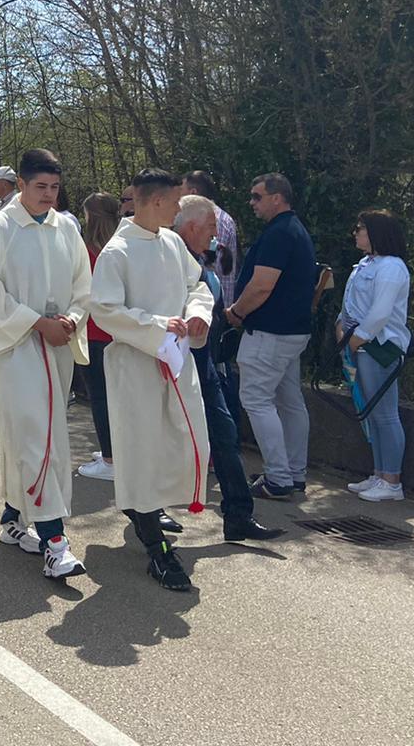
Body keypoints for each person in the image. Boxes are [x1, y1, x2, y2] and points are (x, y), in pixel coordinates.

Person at [0, 149, 91, 580]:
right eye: (40, 187)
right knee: (36, 435)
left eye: (55, 188)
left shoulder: (66, 227)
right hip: (18, 346)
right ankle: (55, 542)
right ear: (20, 184)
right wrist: (36, 322)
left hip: (58, 345)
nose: (49, 196)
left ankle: (13, 517)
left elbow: (83, 283)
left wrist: (73, 318)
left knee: (45, 432)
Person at [89, 168, 214, 592]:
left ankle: (146, 505)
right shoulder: (118, 251)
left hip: (176, 361)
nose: (180, 210)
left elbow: (197, 285)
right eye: (176, 202)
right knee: (140, 447)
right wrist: (158, 325)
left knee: (178, 438)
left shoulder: (173, 242)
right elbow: (104, 309)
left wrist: (198, 314)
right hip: (136, 365)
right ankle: (155, 546)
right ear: (157, 201)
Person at [173, 196, 284, 542]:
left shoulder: (203, 261)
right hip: (173, 369)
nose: (215, 234)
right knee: (162, 440)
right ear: (191, 227)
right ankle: (148, 513)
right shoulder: (168, 260)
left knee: (225, 436)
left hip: (207, 366)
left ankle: (238, 515)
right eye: (210, 227)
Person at [226, 173, 317, 499]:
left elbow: (262, 285)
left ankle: (279, 478)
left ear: (277, 197)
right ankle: (294, 473)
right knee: (290, 402)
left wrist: (236, 312)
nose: (251, 202)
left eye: (256, 196)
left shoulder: (280, 233)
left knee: (256, 400)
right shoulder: (295, 230)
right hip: (292, 332)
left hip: (270, 332)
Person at [337, 209, 412, 502]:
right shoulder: (366, 264)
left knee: (385, 414)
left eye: (361, 228)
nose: (356, 232)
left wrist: (355, 340)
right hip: (361, 344)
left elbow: (380, 313)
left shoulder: (392, 267)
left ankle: (392, 480)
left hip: (380, 346)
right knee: (373, 413)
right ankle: (380, 473)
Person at [76, 192, 121, 481]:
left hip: (93, 330)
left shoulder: (88, 250)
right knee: (116, 397)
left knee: (101, 397)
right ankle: (115, 451)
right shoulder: (119, 247)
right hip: (117, 332)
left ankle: (110, 458)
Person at [185, 170, 240, 301]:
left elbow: (212, 266)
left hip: (212, 305)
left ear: (193, 193)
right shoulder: (220, 217)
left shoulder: (211, 220)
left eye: (181, 189)